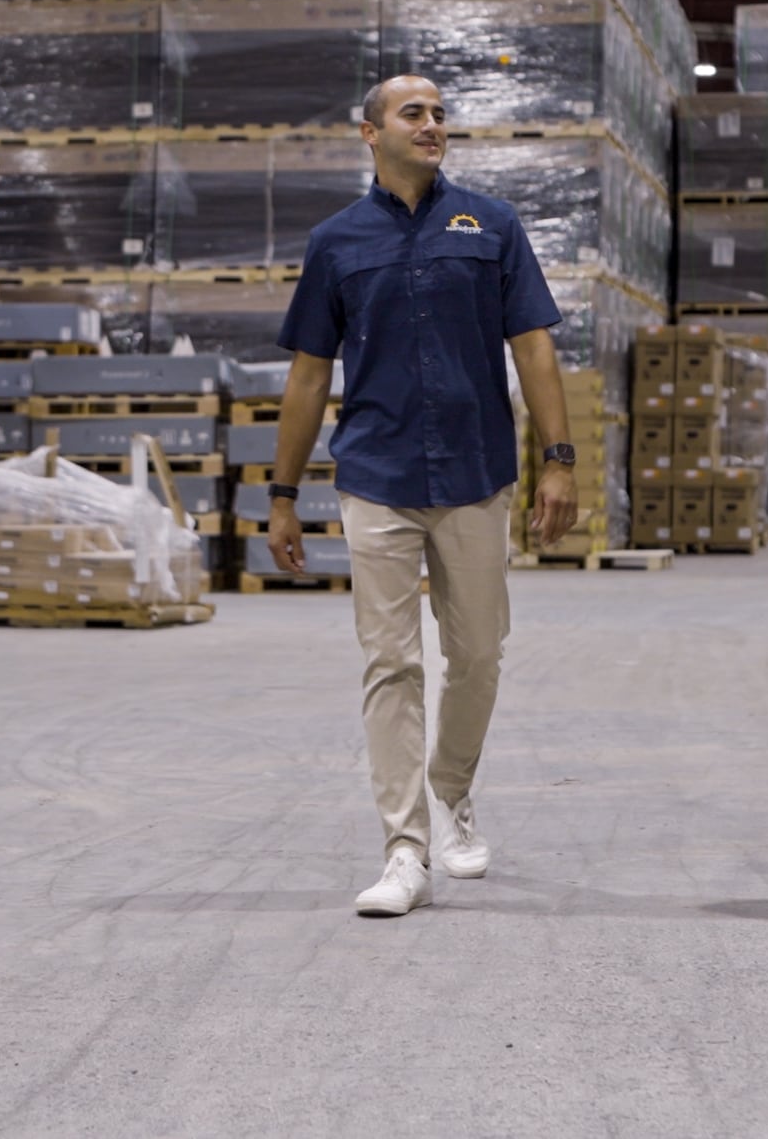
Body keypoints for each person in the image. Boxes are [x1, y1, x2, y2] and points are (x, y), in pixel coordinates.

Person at [266, 74, 582, 918]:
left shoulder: (492, 225)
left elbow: (536, 350)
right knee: (391, 662)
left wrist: (559, 460)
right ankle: (404, 849)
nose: (433, 124)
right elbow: (305, 377)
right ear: (369, 132)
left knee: (477, 653)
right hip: (378, 475)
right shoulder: (336, 242)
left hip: (477, 473)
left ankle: (452, 788)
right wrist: (283, 492)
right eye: (415, 113)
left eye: (441, 113)